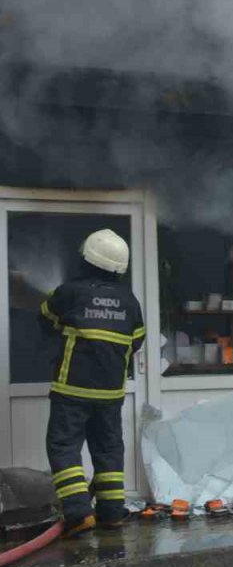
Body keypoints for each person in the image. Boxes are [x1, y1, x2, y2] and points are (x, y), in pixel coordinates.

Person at [39, 229, 145, 537]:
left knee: (63, 447)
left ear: (87, 259)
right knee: (108, 451)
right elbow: (136, 341)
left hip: (71, 390)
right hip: (110, 394)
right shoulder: (129, 301)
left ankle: (78, 514)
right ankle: (111, 514)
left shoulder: (70, 292)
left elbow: (45, 321)